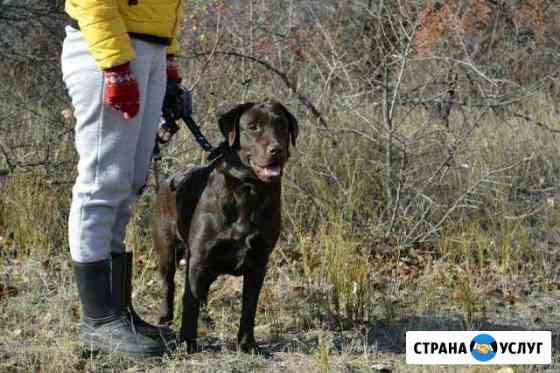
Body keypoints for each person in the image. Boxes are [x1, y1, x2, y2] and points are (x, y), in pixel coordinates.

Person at [61, 0, 184, 357]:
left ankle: (116, 312)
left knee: (129, 183)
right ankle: (99, 320)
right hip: (108, 48)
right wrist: (115, 65)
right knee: (102, 183)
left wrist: (169, 61)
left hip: (150, 49)